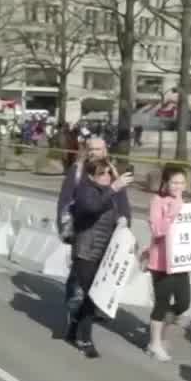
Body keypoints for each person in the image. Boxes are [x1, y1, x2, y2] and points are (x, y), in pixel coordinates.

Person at [68, 157, 134, 358]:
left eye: (108, 173)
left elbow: (120, 210)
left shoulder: (111, 193)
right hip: (86, 252)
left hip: (105, 252)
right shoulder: (85, 190)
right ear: (90, 176)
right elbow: (91, 207)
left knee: (93, 297)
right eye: (101, 173)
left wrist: (122, 220)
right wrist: (114, 187)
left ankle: (73, 329)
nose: (106, 177)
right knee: (93, 296)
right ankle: (85, 339)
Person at [56, 137, 122, 332]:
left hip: (106, 233)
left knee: (96, 277)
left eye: (99, 149)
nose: (95, 152)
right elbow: (65, 200)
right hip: (82, 233)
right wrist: (64, 228)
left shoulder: (111, 170)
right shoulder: (78, 172)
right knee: (78, 279)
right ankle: (74, 315)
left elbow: (122, 200)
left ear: (106, 150)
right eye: (91, 149)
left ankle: (86, 314)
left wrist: (125, 222)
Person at [145, 165, 191, 361]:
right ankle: (155, 343)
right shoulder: (158, 201)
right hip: (161, 262)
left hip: (180, 262)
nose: (178, 186)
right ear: (165, 182)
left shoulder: (183, 202)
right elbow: (157, 230)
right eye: (174, 182)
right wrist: (172, 213)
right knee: (162, 303)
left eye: (181, 182)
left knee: (183, 302)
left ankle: (161, 332)